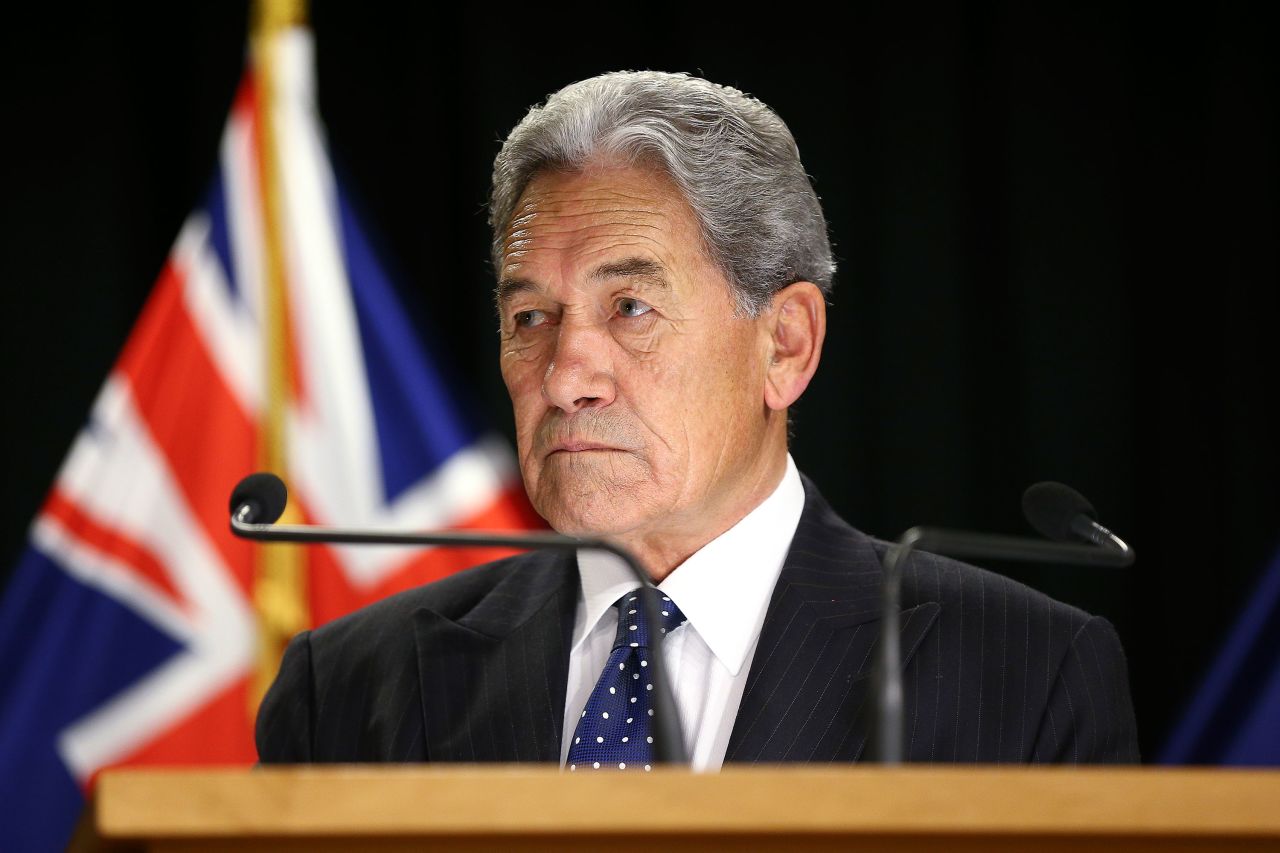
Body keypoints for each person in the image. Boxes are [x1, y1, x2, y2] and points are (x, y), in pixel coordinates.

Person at [256, 71, 1139, 768]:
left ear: (785, 345)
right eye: (530, 318)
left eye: (631, 307)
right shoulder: (346, 689)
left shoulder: (1027, 675)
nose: (565, 377)